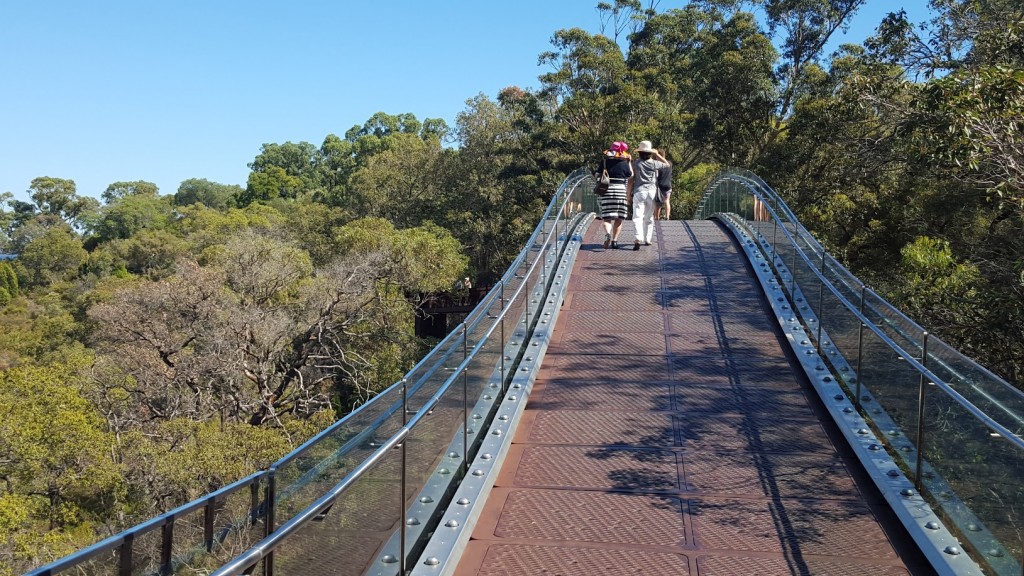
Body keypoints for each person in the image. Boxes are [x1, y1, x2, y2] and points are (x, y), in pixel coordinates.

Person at [630, 140, 670, 250]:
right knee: (649, 217)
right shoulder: (654, 163)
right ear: (650, 153)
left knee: (637, 217)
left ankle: (638, 238)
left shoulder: (636, 163)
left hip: (639, 191)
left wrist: (628, 195)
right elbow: (667, 165)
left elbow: (631, 177)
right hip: (652, 192)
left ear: (640, 152)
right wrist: (657, 154)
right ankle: (647, 239)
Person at [596, 141, 633, 249]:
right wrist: (629, 162)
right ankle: (615, 241)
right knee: (619, 218)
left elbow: (597, 175)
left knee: (607, 217)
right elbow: (630, 175)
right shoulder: (624, 164)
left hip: (606, 191)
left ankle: (607, 233)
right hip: (620, 192)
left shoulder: (604, 162)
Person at [653, 150, 673, 221]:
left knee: (658, 203)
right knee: (667, 201)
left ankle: (656, 217)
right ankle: (667, 216)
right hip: (668, 185)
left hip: (660, 186)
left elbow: (656, 175)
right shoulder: (670, 163)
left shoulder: (658, 165)